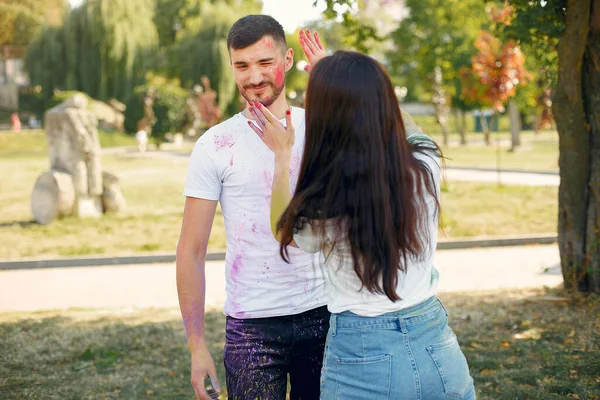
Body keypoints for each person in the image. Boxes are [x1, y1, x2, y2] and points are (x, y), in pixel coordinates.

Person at [249, 51, 476, 399]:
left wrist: (282, 155)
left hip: (363, 355)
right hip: (438, 348)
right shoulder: (426, 164)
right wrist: (356, 81)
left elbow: (283, 231)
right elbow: (410, 131)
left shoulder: (327, 199)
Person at [176, 15, 329, 400]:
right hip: (252, 328)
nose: (254, 76)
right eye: (242, 66)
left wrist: (330, 79)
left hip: (326, 314)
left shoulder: (324, 129)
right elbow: (191, 251)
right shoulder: (214, 145)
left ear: (289, 59)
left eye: (265, 62)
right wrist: (196, 345)